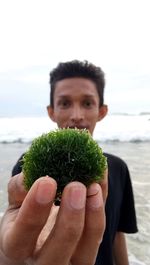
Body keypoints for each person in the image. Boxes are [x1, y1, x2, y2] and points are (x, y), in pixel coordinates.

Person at [0, 60, 137, 265]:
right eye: (64, 103)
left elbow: (117, 233)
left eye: (87, 103)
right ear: (51, 111)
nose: (76, 116)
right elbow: (18, 219)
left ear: (102, 111)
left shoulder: (118, 168)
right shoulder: (26, 166)